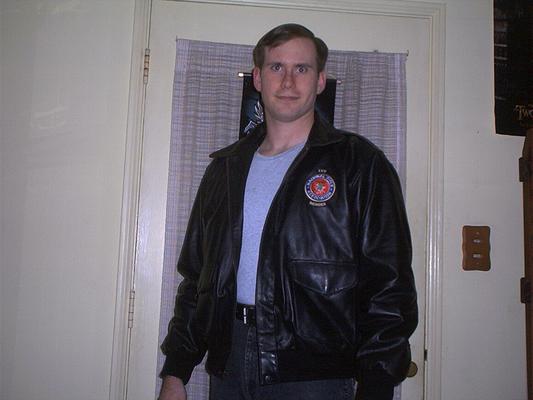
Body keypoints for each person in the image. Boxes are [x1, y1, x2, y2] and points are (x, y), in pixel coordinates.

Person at [158, 23, 417, 400]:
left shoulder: (360, 164)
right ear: (258, 78)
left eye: (302, 68)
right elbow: (198, 279)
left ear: (320, 80)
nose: (288, 81)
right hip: (229, 363)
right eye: (277, 67)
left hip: (314, 373)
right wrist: (176, 371)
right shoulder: (224, 169)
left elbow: (389, 285)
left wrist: (377, 384)